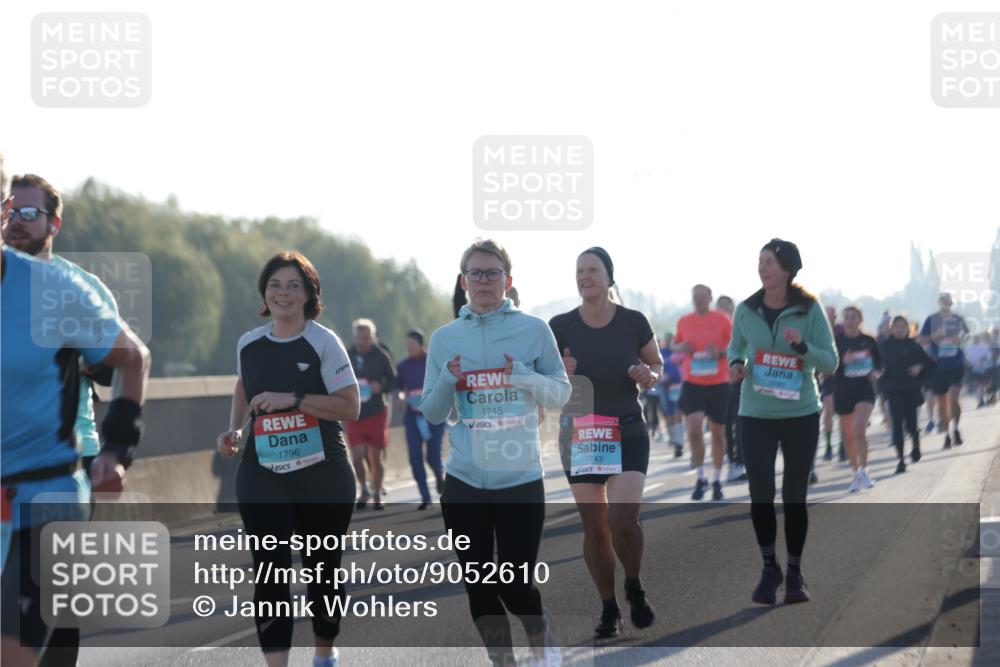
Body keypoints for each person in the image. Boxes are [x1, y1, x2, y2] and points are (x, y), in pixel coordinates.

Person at [1, 156, 151, 665]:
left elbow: (122, 363)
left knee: (39, 626)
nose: (20, 221)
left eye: (29, 213)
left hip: (58, 465)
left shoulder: (66, 287)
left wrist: (116, 449)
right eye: (16, 212)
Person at [421, 239, 569, 667]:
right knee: (480, 587)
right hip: (465, 481)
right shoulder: (445, 338)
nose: (483, 280)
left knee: (513, 585)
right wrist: (448, 381)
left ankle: (541, 639)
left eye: (492, 273)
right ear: (463, 281)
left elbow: (560, 392)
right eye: (475, 273)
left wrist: (521, 374)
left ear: (508, 279)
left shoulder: (533, 330)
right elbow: (432, 413)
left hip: (519, 479)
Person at [217, 251, 359, 667]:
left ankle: (323, 655)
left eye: (294, 286)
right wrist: (236, 429)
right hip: (263, 473)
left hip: (324, 475)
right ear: (264, 291)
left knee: (323, 572)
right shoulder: (249, 342)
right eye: (275, 284)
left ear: (309, 294)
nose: (283, 293)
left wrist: (293, 400)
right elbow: (244, 386)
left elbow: (350, 406)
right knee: (270, 572)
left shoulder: (323, 341)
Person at [549, 247, 662, 639]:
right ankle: (609, 607)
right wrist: (558, 371)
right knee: (596, 529)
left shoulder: (633, 321)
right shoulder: (559, 325)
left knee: (623, 521)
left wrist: (648, 374)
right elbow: (542, 380)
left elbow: (657, 365)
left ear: (609, 276)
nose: (584, 276)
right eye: (579, 270)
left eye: (592, 270)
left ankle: (633, 583)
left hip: (628, 429)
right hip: (582, 434)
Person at [728, 238, 837, 605]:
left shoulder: (809, 310)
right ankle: (769, 566)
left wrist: (801, 347)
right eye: (759, 261)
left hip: (800, 414)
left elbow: (830, 362)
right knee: (760, 494)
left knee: (794, 496)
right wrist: (735, 365)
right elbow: (735, 347)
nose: (762, 267)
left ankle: (794, 572)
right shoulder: (746, 309)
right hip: (755, 413)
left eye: (769, 262)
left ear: (787, 268)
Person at [672, 284, 733, 500]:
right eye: (695, 296)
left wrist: (720, 352)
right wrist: (682, 348)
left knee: (717, 432)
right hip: (693, 382)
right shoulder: (685, 321)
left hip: (718, 383)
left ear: (709, 297)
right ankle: (700, 477)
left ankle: (716, 479)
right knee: (695, 429)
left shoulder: (723, 319)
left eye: (702, 296)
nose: (698, 300)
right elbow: (674, 344)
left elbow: (736, 347)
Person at [345, 318, 396, 510]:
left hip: (376, 411)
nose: (362, 342)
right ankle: (364, 488)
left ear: (373, 338)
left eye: (366, 338)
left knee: (375, 456)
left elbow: (393, 382)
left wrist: (380, 386)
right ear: (354, 337)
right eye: (359, 338)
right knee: (356, 456)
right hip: (354, 413)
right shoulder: (346, 355)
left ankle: (376, 492)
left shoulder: (381, 356)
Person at [833, 306, 883, 492]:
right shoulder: (836, 342)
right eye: (846, 317)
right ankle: (857, 473)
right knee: (848, 436)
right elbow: (830, 367)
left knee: (859, 428)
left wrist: (876, 372)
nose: (850, 320)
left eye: (853, 317)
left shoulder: (868, 340)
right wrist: (842, 363)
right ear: (842, 320)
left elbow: (880, 362)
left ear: (860, 319)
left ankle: (863, 469)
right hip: (843, 391)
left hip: (864, 390)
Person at [879, 315, 935, 473]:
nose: (899, 329)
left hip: (911, 391)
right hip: (893, 391)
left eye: (903, 326)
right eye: (896, 326)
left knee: (911, 425)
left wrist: (920, 367)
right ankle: (901, 460)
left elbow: (931, 365)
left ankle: (916, 445)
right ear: (892, 328)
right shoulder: (884, 346)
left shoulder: (913, 346)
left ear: (907, 328)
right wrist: (879, 374)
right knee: (897, 425)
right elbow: (877, 364)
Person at [395, 329, 444, 509]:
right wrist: (400, 398)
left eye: (411, 344)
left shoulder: (433, 361)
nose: (408, 347)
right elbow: (399, 388)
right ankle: (425, 497)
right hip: (413, 416)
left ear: (420, 344)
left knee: (433, 457)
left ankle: (440, 478)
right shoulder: (402, 366)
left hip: (434, 415)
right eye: (406, 344)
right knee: (415, 457)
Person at [920, 293, 970, 448]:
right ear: (939, 302)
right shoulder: (931, 319)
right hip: (938, 366)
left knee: (954, 397)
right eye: (943, 301)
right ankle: (947, 434)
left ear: (951, 302)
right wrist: (936, 335)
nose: (946, 303)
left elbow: (967, 335)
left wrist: (960, 339)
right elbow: (922, 340)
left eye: (948, 301)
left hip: (956, 363)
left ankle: (955, 429)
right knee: (942, 405)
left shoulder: (958, 319)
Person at [657, 333, 686, 458]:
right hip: (663, 387)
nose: (669, 342)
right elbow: (655, 365)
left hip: (677, 387)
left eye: (671, 340)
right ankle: (674, 439)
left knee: (677, 413)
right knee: (668, 414)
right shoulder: (660, 353)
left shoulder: (679, 352)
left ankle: (679, 443)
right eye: (666, 340)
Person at [965, 334, 992, 408]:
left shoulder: (984, 346)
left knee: (982, 385)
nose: (976, 339)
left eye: (977, 338)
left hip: (983, 368)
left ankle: (983, 398)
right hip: (973, 369)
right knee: (976, 385)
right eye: (974, 338)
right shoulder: (968, 347)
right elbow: (966, 357)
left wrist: (985, 358)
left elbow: (989, 355)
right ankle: (980, 400)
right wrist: (967, 363)